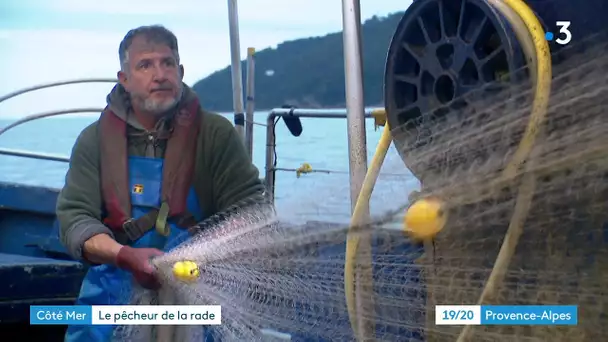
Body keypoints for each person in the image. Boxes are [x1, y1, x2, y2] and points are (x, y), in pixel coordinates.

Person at [56, 25, 267, 341]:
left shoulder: (215, 134)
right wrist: (125, 255)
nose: (160, 74)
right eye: (145, 65)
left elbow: (252, 212)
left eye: (168, 63)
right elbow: (75, 220)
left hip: (199, 290)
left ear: (180, 71)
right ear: (124, 79)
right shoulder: (94, 140)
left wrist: (200, 256)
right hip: (114, 292)